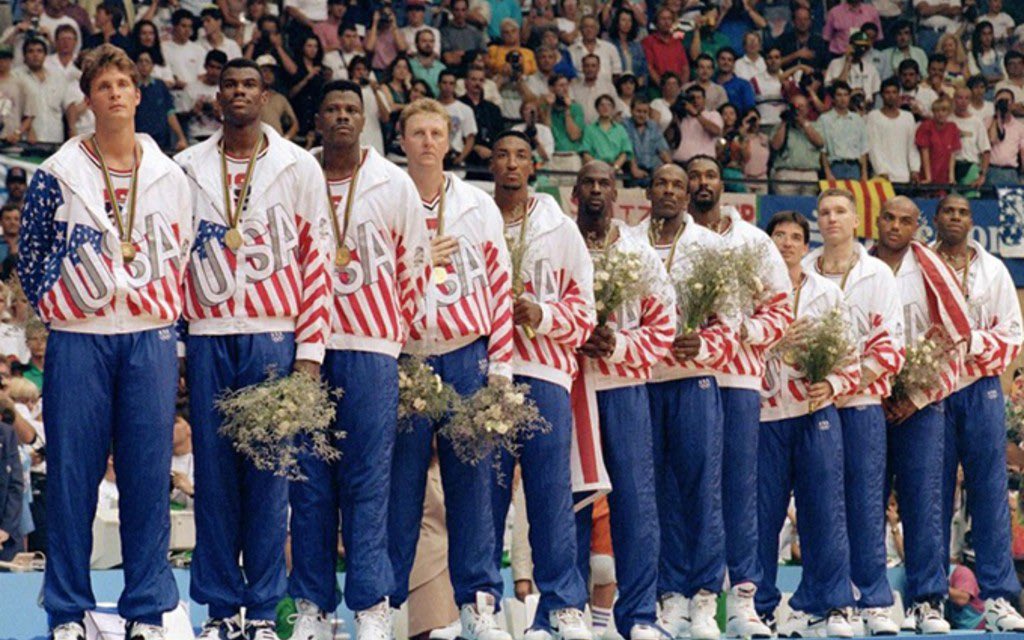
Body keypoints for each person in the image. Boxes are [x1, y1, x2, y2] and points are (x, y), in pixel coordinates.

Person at [17, 44, 191, 640]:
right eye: (104, 86)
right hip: (79, 339)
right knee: (73, 477)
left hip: (148, 338)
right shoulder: (57, 173)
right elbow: (30, 254)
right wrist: (62, 306)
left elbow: (183, 252)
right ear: (88, 100)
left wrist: (169, 326)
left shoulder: (170, 176)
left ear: (138, 95)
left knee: (146, 477)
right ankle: (67, 612)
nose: (115, 93)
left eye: (123, 84)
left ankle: (147, 611)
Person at [175, 57, 331, 640]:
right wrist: (179, 347)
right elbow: (174, 260)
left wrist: (310, 351)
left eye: (250, 85)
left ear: (265, 97)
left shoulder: (297, 165)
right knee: (214, 479)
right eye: (229, 85)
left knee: (269, 478)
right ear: (216, 97)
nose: (239, 92)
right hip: (208, 333)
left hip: (273, 332)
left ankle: (263, 609)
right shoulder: (187, 166)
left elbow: (318, 259)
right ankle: (220, 610)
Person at [288, 79, 429, 640]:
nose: (343, 117)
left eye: (352, 109)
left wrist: (392, 334)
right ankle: (312, 607)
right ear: (317, 119)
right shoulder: (296, 176)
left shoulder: (393, 183)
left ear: (365, 119)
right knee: (309, 483)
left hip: (371, 349)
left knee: (369, 481)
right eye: (333, 109)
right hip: (306, 351)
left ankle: (372, 605)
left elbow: (415, 265)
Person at [388, 97, 514, 640]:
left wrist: (501, 368)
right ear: (402, 141)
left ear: (450, 141)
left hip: (466, 352)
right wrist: (419, 261)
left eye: (436, 133)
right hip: (408, 354)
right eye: (418, 133)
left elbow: (501, 287)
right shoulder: (387, 199)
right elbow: (373, 283)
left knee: (473, 486)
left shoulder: (476, 205)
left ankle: (478, 606)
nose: (428, 142)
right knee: (400, 489)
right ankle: (383, 606)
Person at [487, 130, 594, 640]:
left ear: (533, 166)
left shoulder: (560, 229)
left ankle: (561, 607)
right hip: (485, 376)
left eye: (521, 156)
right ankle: (480, 604)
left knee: (550, 496)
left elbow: (585, 313)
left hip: (545, 373)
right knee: (483, 497)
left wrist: (542, 314)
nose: (512, 164)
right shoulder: (473, 219)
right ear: (490, 163)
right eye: (502, 155)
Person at [685, 155, 790, 639]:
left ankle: (743, 600)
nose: (702, 182)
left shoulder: (753, 240)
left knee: (741, 490)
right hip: (686, 377)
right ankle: (693, 599)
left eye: (710, 174)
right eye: (694, 176)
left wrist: (744, 331)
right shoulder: (674, 239)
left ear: (722, 183)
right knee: (691, 488)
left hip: (741, 379)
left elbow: (781, 309)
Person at [572, 160, 674, 640]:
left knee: (636, 504)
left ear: (616, 194)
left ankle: (639, 615)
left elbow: (663, 324)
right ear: (575, 193)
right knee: (569, 501)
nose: (596, 190)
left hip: (625, 387)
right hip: (570, 388)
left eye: (605, 183)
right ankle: (566, 610)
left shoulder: (638, 252)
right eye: (588, 183)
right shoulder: (560, 241)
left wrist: (617, 345)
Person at [802, 189, 903, 636]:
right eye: (824, 212)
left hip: (861, 404)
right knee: (820, 505)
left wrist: (842, 382)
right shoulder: (804, 270)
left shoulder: (878, 273)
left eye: (840, 211)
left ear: (856, 219)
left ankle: (875, 602)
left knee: (865, 502)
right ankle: (830, 602)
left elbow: (891, 345)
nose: (832, 218)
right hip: (814, 404)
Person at [755, 210, 857, 638]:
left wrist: (831, 383)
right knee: (762, 516)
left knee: (824, 513)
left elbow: (850, 354)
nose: (786, 243)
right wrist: (772, 339)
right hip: (765, 415)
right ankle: (757, 607)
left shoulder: (826, 294)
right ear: (767, 244)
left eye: (795, 237)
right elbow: (733, 346)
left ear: (806, 246)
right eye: (779, 236)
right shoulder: (751, 290)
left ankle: (827, 605)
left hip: (815, 413)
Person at [640, 164, 731, 640]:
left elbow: (731, 319)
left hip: (695, 377)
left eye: (678, 184)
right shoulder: (628, 242)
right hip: (644, 379)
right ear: (648, 191)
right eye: (662, 183)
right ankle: (669, 593)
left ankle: (704, 597)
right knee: (656, 492)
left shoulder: (710, 246)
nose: (671, 190)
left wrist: (706, 345)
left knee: (701, 488)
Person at [872, 196, 970, 635]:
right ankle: (868, 600)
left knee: (924, 503)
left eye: (905, 221)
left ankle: (928, 600)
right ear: (877, 221)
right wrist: (871, 389)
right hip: (868, 401)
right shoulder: (861, 266)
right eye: (889, 218)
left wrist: (916, 395)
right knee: (865, 501)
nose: (895, 226)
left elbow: (956, 337)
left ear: (917, 227)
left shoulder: (932, 269)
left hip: (923, 403)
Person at [933, 194, 1024, 633]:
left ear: (971, 221)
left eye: (962, 212)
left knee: (989, 492)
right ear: (936, 218)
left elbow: (1013, 332)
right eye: (948, 211)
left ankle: (1000, 597)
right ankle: (928, 597)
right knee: (930, 495)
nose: (955, 217)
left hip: (981, 387)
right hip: (932, 389)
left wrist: (973, 344)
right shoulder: (920, 266)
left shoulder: (994, 270)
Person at [867, 78, 921, 184]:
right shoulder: (873, 116)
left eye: (894, 92)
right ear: (881, 95)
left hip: (904, 176)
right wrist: (881, 171)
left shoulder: (908, 117)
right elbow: (873, 146)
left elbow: (912, 146)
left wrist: (914, 169)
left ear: (899, 94)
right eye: (887, 92)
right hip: (882, 177)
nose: (891, 96)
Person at [770, 95, 825, 196]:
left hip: (809, 173)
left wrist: (803, 123)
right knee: (785, 205)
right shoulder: (780, 127)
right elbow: (775, 146)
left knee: (807, 205)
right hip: (786, 173)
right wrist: (785, 122)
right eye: (795, 106)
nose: (798, 109)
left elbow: (820, 142)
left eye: (801, 106)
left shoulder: (816, 126)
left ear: (808, 108)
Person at [817, 82, 868, 181]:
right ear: (833, 98)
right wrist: (827, 172)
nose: (843, 99)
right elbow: (823, 150)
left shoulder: (857, 119)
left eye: (845, 95)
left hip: (854, 167)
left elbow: (863, 148)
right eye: (839, 95)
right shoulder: (825, 119)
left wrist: (864, 173)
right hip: (835, 166)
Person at [623, 97, 670, 188]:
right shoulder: (625, 125)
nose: (642, 115)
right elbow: (627, 149)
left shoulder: (653, 126)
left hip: (652, 172)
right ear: (631, 111)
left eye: (645, 112)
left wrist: (669, 169)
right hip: (631, 173)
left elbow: (663, 150)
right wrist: (634, 169)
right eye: (638, 111)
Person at [950, 86, 991, 191]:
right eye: (960, 97)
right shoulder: (948, 120)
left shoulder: (977, 122)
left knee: (971, 198)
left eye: (967, 98)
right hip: (949, 168)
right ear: (954, 99)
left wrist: (982, 175)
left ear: (970, 101)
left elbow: (986, 151)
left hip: (970, 166)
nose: (963, 101)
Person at [670, 86, 723, 165]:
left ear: (704, 100)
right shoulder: (682, 116)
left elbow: (716, 131)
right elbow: (670, 138)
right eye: (692, 98)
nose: (695, 101)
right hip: (679, 162)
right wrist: (674, 117)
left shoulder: (712, 114)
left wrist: (696, 114)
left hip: (703, 163)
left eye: (698, 98)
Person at [915, 95, 959, 186]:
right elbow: (924, 152)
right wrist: (928, 178)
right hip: (927, 171)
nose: (940, 114)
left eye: (943, 110)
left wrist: (951, 178)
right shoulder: (926, 126)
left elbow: (952, 154)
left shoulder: (953, 127)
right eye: (937, 111)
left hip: (943, 174)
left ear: (949, 112)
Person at [825, 30, 881, 101]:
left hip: (864, 106)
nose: (862, 49)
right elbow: (837, 88)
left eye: (865, 47)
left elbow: (874, 95)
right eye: (858, 46)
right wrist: (847, 62)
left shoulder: (871, 68)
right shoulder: (835, 63)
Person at [580, 95, 631, 170]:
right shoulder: (589, 129)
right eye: (602, 105)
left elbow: (624, 153)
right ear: (597, 109)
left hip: (615, 169)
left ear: (613, 109)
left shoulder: (620, 129)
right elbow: (585, 153)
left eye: (609, 105)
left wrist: (615, 168)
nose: (605, 107)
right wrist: (599, 168)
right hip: (594, 169)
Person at [987, 88, 1024, 186]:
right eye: (1001, 100)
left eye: (1007, 101)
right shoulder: (988, 121)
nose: (1004, 103)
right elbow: (992, 139)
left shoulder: (1020, 127)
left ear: (1013, 104)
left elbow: (1023, 152)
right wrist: (997, 116)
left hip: (1010, 172)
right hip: (991, 170)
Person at [716, 48, 755, 118]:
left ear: (734, 63)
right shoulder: (710, 83)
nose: (726, 62)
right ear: (717, 61)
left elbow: (750, 109)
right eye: (723, 59)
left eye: (729, 60)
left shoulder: (744, 85)